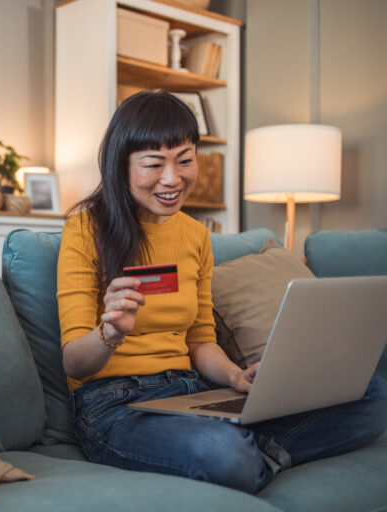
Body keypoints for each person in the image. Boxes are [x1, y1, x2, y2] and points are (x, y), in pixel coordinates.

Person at [56, 90, 387, 494]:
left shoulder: (196, 235)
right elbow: (75, 362)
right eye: (153, 164)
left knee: (371, 393)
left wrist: (236, 375)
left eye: (185, 159)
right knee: (222, 451)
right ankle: (246, 455)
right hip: (113, 407)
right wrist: (111, 332)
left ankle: (254, 455)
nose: (172, 179)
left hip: (191, 391)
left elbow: (200, 341)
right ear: (120, 166)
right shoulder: (85, 230)